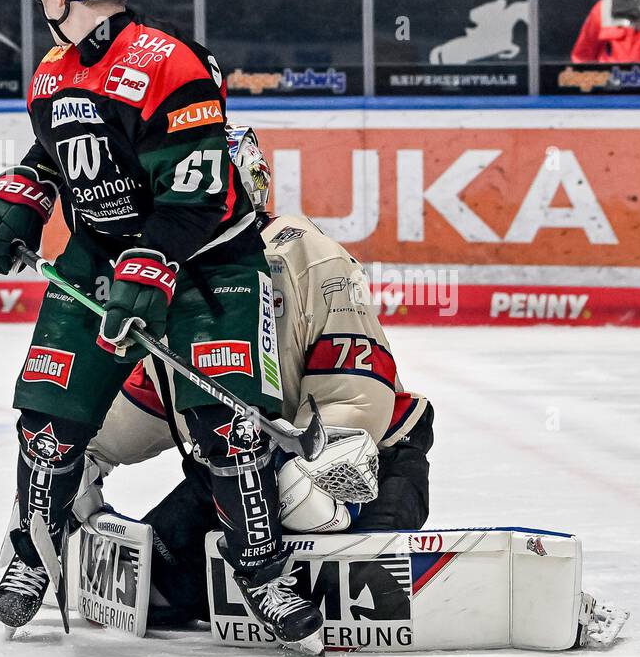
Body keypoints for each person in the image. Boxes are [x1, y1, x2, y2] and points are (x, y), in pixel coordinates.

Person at [0, 0, 325, 655]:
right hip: (99, 261)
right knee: (47, 421)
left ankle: (262, 572)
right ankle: (34, 550)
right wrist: (22, 197)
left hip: (207, 263)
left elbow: (195, 195)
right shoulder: (54, 70)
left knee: (227, 429)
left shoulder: (173, 64)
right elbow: (60, 152)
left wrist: (152, 266)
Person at [82, 125, 434, 626]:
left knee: (348, 593)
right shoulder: (166, 273)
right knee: (149, 591)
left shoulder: (305, 253)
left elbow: (358, 390)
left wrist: (309, 469)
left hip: (368, 462)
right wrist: (78, 456)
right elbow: (153, 399)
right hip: (238, 470)